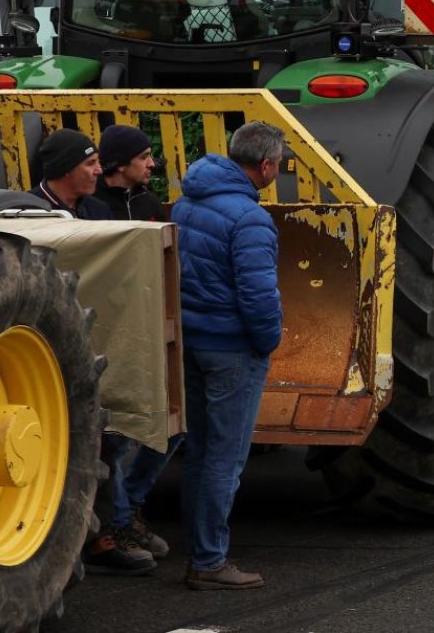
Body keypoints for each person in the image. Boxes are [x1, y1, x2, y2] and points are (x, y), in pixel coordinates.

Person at [31, 129, 158, 575]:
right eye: (89, 165)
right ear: (66, 170)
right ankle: (85, 534)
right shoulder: (29, 214)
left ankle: (104, 530)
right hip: (48, 345)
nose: (98, 171)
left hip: (98, 337)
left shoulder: (99, 211)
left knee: (110, 437)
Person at [172, 121, 285, 590]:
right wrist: (269, 340)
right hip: (232, 349)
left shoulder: (186, 203)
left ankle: (197, 547)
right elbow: (258, 295)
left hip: (191, 342)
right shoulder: (251, 218)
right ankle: (209, 560)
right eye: (279, 164)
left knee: (198, 452)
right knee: (226, 458)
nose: (279, 170)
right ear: (265, 165)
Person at [92, 123, 180, 565]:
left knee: (173, 425)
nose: (152, 163)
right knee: (118, 436)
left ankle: (130, 511)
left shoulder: (148, 205)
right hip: (111, 334)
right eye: (144, 157)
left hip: (150, 329)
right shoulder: (93, 210)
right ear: (119, 164)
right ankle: (118, 525)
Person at [31, 128, 110, 220]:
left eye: (98, 162)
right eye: (91, 163)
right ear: (65, 168)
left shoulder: (99, 210)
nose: (99, 171)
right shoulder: (26, 212)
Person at [94, 124, 165, 221]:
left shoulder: (151, 203)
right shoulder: (88, 206)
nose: (151, 164)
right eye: (143, 157)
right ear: (121, 164)